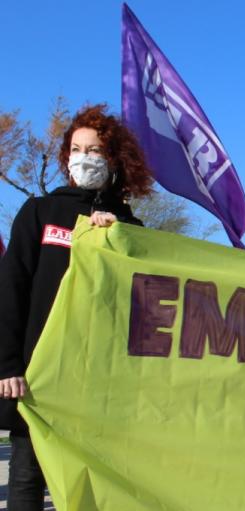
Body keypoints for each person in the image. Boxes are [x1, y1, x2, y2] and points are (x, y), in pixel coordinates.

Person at [0, 104, 153, 510]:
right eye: (77, 149)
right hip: (37, 374)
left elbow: (144, 306)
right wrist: (8, 366)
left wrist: (116, 241)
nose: (85, 158)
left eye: (97, 151)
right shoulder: (39, 212)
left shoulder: (130, 228)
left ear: (115, 160)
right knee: (27, 477)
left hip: (101, 382)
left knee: (95, 481)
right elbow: (11, 288)